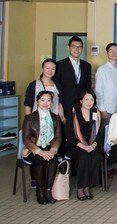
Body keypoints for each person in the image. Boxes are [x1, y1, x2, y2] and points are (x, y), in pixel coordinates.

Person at [24, 59, 65, 188]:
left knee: (53, 146)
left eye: (53, 68)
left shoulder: (57, 85)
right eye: (47, 68)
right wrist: (28, 120)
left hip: (53, 121)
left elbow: (59, 104)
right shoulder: (33, 85)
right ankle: (35, 179)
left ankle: (49, 180)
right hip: (37, 124)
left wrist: (62, 118)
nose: (50, 71)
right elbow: (28, 104)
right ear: (42, 68)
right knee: (37, 145)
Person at [22, 91, 62, 204]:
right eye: (42, 100)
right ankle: (40, 192)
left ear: (51, 103)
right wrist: (39, 152)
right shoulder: (30, 118)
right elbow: (26, 139)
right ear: (37, 102)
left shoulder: (55, 118)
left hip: (50, 148)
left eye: (48, 100)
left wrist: (53, 149)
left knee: (53, 160)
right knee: (40, 160)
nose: (45, 103)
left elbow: (58, 137)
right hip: (34, 149)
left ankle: (48, 191)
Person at [65, 89, 104, 201]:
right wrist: (83, 146)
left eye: (91, 99)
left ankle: (88, 186)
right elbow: (69, 134)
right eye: (86, 99)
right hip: (75, 144)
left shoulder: (96, 114)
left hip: (92, 144)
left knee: (96, 156)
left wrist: (93, 145)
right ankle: (80, 187)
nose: (89, 102)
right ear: (81, 101)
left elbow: (100, 133)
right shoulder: (73, 112)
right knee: (84, 156)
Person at [54, 36, 92, 121]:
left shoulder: (87, 66)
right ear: (68, 48)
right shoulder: (59, 65)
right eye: (74, 46)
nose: (76, 49)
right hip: (64, 107)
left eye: (79, 47)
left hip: (82, 107)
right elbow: (56, 88)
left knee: (81, 132)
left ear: (82, 48)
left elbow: (88, 87)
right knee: (66, 133)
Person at [95, 43, 117, 125]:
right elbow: (98, 90)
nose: (114, 53)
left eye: (116, 51)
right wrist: (102, 109)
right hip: (106, 109)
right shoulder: (102, 70)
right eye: (111, 51)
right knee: (106, 133)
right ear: (107, 53)